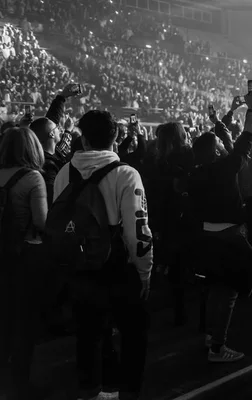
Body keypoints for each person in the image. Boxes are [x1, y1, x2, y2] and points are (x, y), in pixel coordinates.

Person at [53, 110, 152, 400]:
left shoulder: (63, 173)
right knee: (133, 334)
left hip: (79, 263)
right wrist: (144, 271)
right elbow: (138, 228)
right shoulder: (126, 173)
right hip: (118, 264)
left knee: (87, 333)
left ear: (82, 138)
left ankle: (90, 392)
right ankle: (129, 392)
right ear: (116, 137)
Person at [188, 91, 252, 363]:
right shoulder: (224, 168)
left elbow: (229, 141)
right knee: (229, 293)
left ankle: (211, 335)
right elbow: (246, 139)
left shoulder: (196, 172)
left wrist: (218, 120)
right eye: (219, 142)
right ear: (217, 150)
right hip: (228, 237)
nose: (222, 143)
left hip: (206, 235)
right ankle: (218, 348)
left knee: (216, 289)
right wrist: (251, 109)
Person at [0, 127, 47, 400]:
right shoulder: (33, 178)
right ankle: (20, 385)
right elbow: (41, 222)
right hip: (24, 258)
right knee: (24, 324)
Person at [145, 121, 194, 326]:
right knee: (182, 264)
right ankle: (182, 311)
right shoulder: (188, 156)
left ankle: (168, 306)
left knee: (168, 263)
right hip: (184, 219)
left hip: (161, 219)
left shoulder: (153, 160)